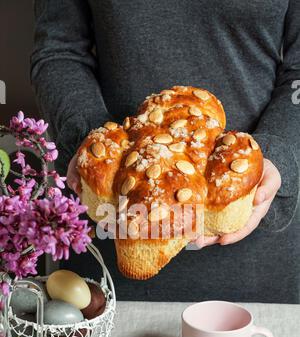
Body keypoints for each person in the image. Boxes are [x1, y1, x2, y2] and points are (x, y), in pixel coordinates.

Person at [31, 0, 300, 303]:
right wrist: (89, 141)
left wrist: (278, 152)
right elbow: (59, 51)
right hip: (107, 253)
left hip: (258, 249)